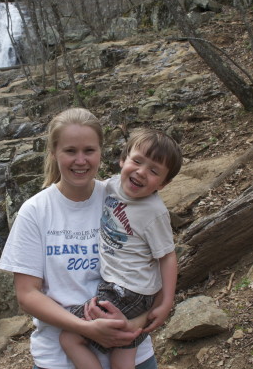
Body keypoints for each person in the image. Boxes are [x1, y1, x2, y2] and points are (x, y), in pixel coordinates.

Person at [0, 108, 158, 369]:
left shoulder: (122, 200)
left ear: (101, 152)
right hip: (60, 360)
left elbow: (153, 269)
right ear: (54, 153)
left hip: (132, 351)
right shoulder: (35, 211)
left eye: (89, 151)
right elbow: (27, 294)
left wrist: (132, 325)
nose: (80, 160)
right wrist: (87, 328)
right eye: (70, 151)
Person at [59, 128, 182, 369]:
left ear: (165, 184)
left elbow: (167, 256)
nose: (141, 172)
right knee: (123, 353)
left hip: (127, 289)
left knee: (70, 337)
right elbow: (82, 186)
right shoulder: (111, 186)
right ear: (122, 159)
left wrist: (167, 301)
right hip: (127, 287)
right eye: (137, 161)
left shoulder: (153, 212)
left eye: (154, 171)